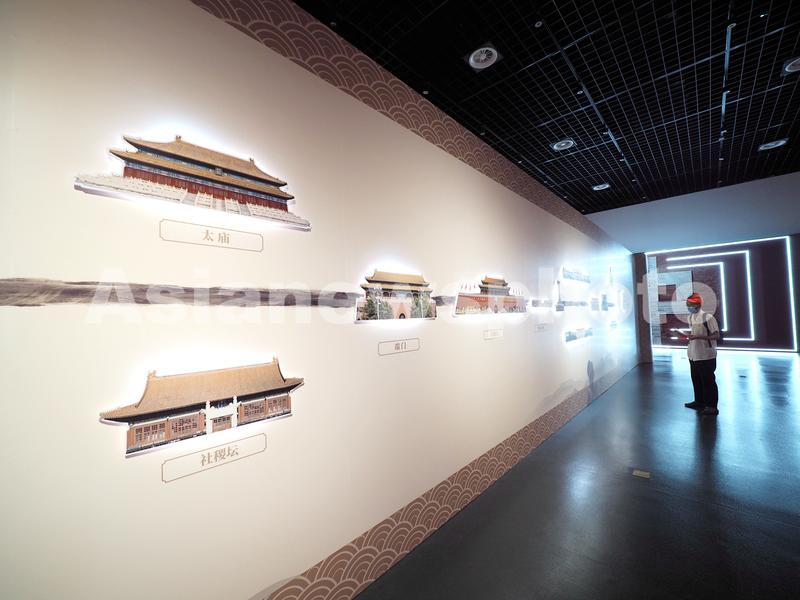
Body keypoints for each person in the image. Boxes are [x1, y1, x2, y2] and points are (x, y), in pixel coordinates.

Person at [680, 293, 720, 416]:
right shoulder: (691, 317)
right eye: (687, 304)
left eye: (690, 304)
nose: (689, 306)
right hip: (693, 354)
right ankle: (699, 401)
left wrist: (699, 337)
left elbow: (716, 335)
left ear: (698, 304)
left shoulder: (708, 318)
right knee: (696, 379)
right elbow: (693, 333)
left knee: (708, 381)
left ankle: (712, 406)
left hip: (706, 355)